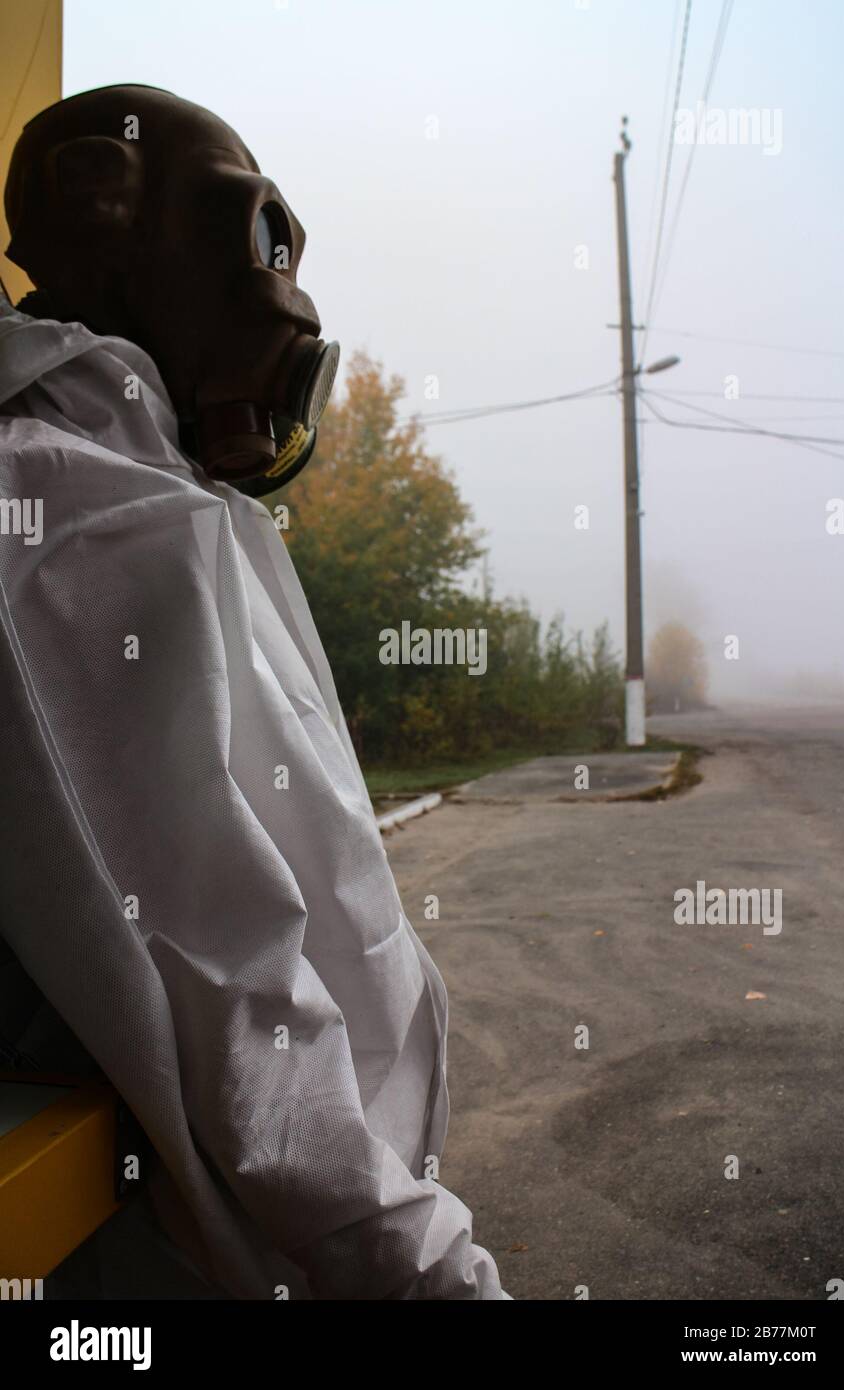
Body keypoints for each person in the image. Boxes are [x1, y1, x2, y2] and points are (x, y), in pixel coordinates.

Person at [0, 84, 507, 1300]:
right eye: (253, 231)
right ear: (96, 196)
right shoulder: (55, 514)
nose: (283, 287)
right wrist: (434, 1273)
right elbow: (226, 995)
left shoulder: (168, 504)